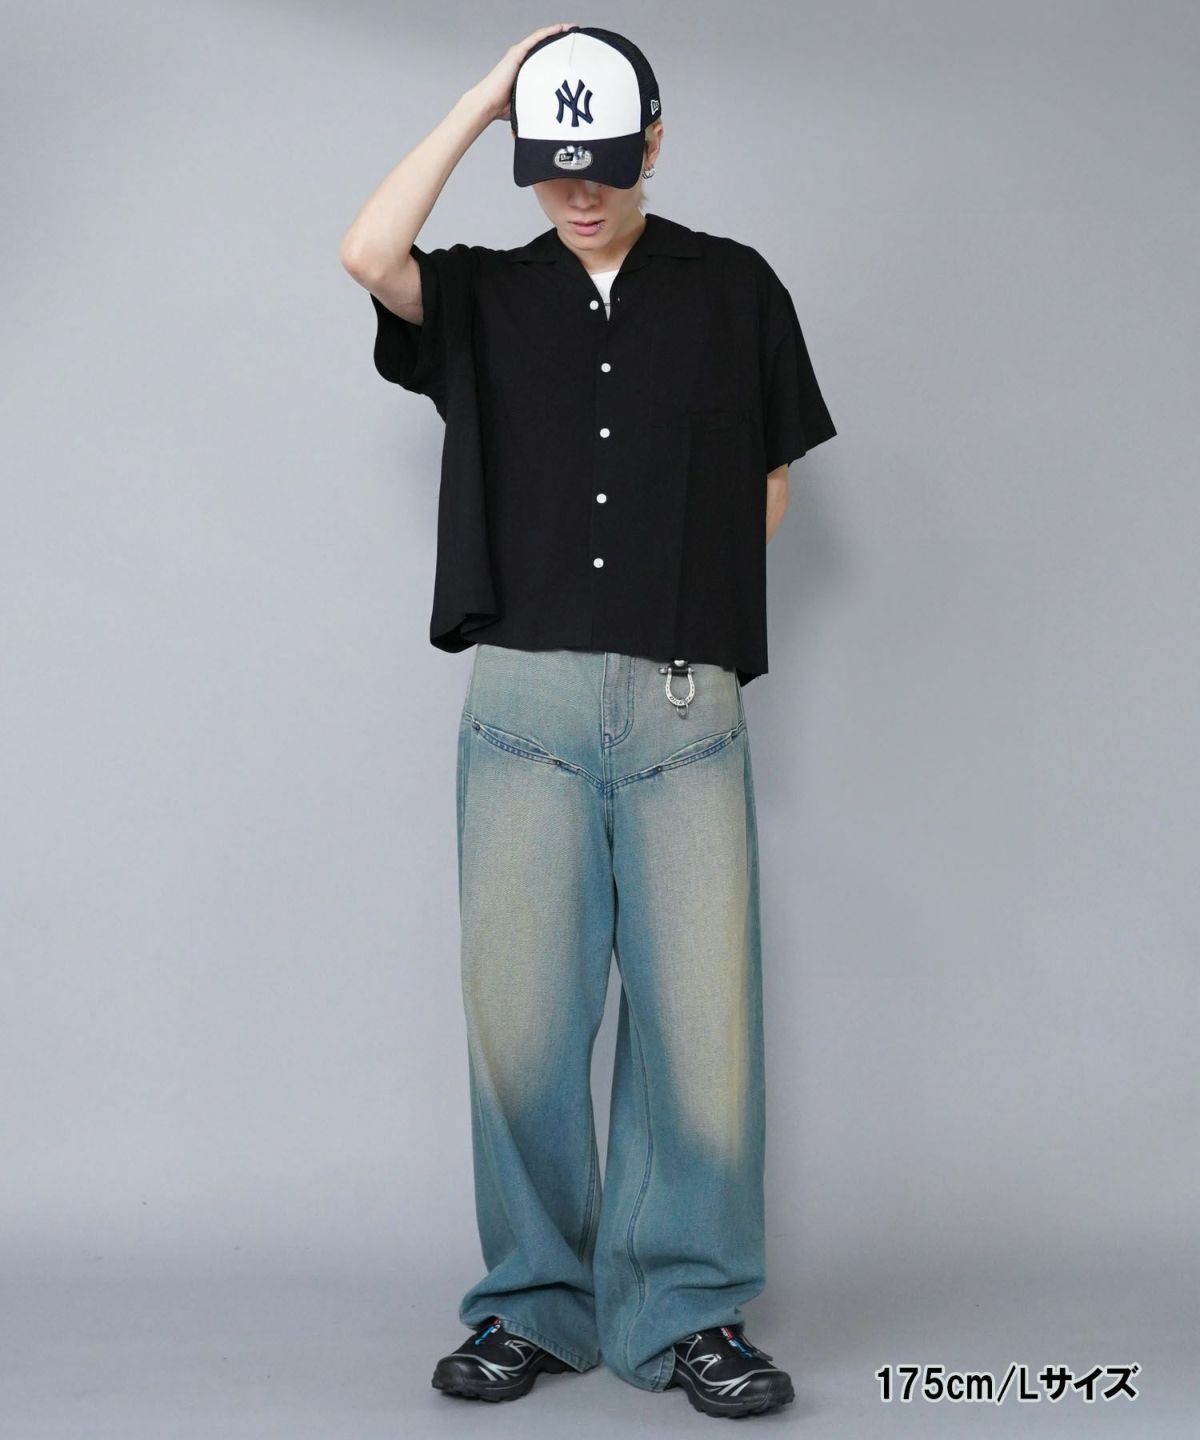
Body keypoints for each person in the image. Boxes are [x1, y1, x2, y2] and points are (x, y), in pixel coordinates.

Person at [340, 24, 836, 1420]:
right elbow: (367, 253)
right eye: (552, 164)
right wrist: (480, 100)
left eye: (604, 164)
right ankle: (532, 1307)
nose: (577, 191)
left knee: (702, 1030)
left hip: (685, 706)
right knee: (521, 1026)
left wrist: (687, 607)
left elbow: (771, 481)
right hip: (525, 709)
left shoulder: (735, 288)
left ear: (654, 144)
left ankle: (689, 1312)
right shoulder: (485, 296)